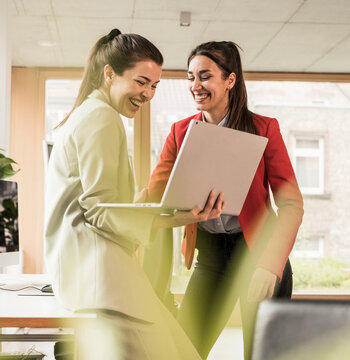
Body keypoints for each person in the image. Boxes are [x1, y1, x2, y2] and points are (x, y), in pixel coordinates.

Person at [44, 29, 225, 359]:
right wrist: (182, 217)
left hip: (92, 271)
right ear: (109, 73)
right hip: (100, 274)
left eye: (154, 86)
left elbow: (99, 202)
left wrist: (162, 202)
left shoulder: (89, 113)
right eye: (141, 82)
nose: (148, 94)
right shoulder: (101, 117)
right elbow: (100, 211)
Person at [147, 41, 304, 359]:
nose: (195, 86)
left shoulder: (263, 129)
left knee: (261, 354)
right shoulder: (180, 132)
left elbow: (291, 205)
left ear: (230, 80)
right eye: (191, 77)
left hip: (258, 253)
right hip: (211, 257)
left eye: (204, 76)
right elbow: (155, 198)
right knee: (183, 349)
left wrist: (269, 266)